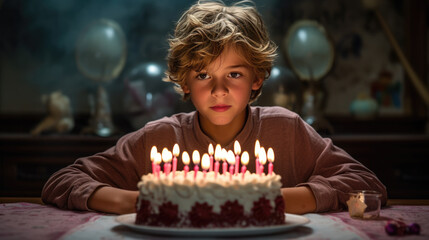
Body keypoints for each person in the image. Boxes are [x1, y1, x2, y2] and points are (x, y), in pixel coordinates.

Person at [42, 0, 387, 215]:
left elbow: (365, 183)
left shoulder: (287, 131)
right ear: (184, 82)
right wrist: (138, 201)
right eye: (203, 74)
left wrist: (269, 200)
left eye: (234, 74)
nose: (219, 90)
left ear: (256, 78)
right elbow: (63, 180)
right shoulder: (159, 138)